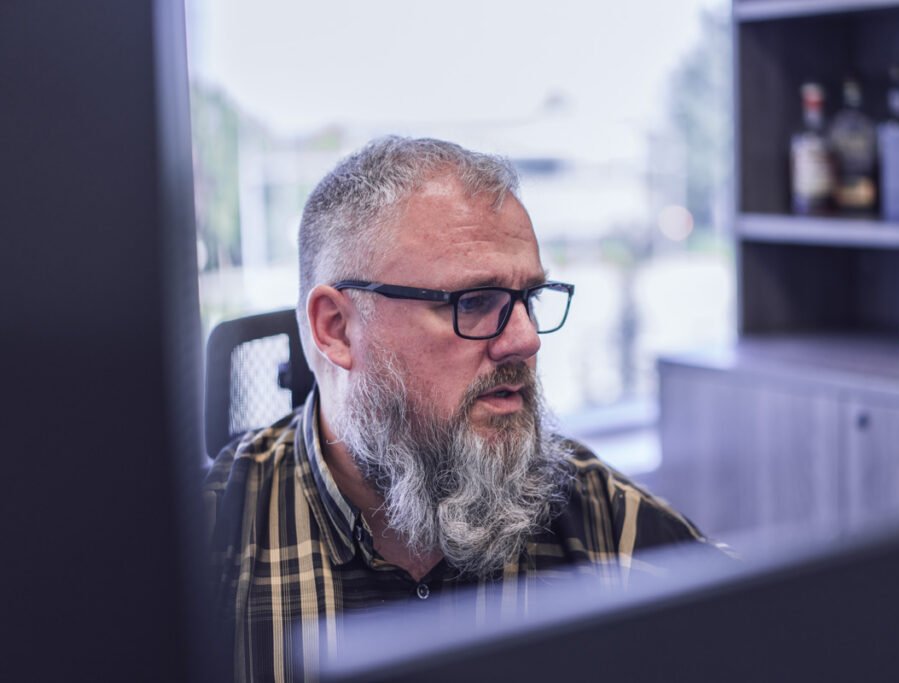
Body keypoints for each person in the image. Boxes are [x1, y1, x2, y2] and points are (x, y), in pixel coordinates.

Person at [204, 136, 713, 680]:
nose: (525, 339)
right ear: (337, 329)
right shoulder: (206, 549)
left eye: (530, 300)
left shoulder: (614, 534)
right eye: (473, 302)